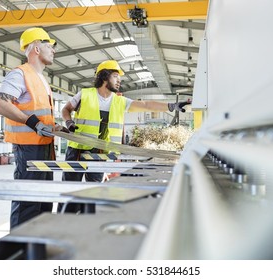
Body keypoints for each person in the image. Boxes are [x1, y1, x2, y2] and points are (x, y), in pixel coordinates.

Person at [60, 60, 191, 213]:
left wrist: (171, 106)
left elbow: (146, 105)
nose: (119, 80)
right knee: (70, 190)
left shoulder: (120, 101)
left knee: (94, 192)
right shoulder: (85, 94)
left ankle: (87, 220)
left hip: (99, 154)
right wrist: (68, 122)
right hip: (77, 151)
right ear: (104, 77)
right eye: (115, 76)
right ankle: (66, 217)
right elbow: (66, 109)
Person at [0, 27, 61, 229]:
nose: (54, 50)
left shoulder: (42, 79)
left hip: (45, 147)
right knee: (27, 201)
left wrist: (55, 127)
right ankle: (19, 251)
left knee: (44, 201)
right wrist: (33, 123)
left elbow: (39, 113)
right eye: (49, 45)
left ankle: (36, 247)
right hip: (29, 149)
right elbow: (1, 104)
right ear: (37, 49)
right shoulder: (20, 74)